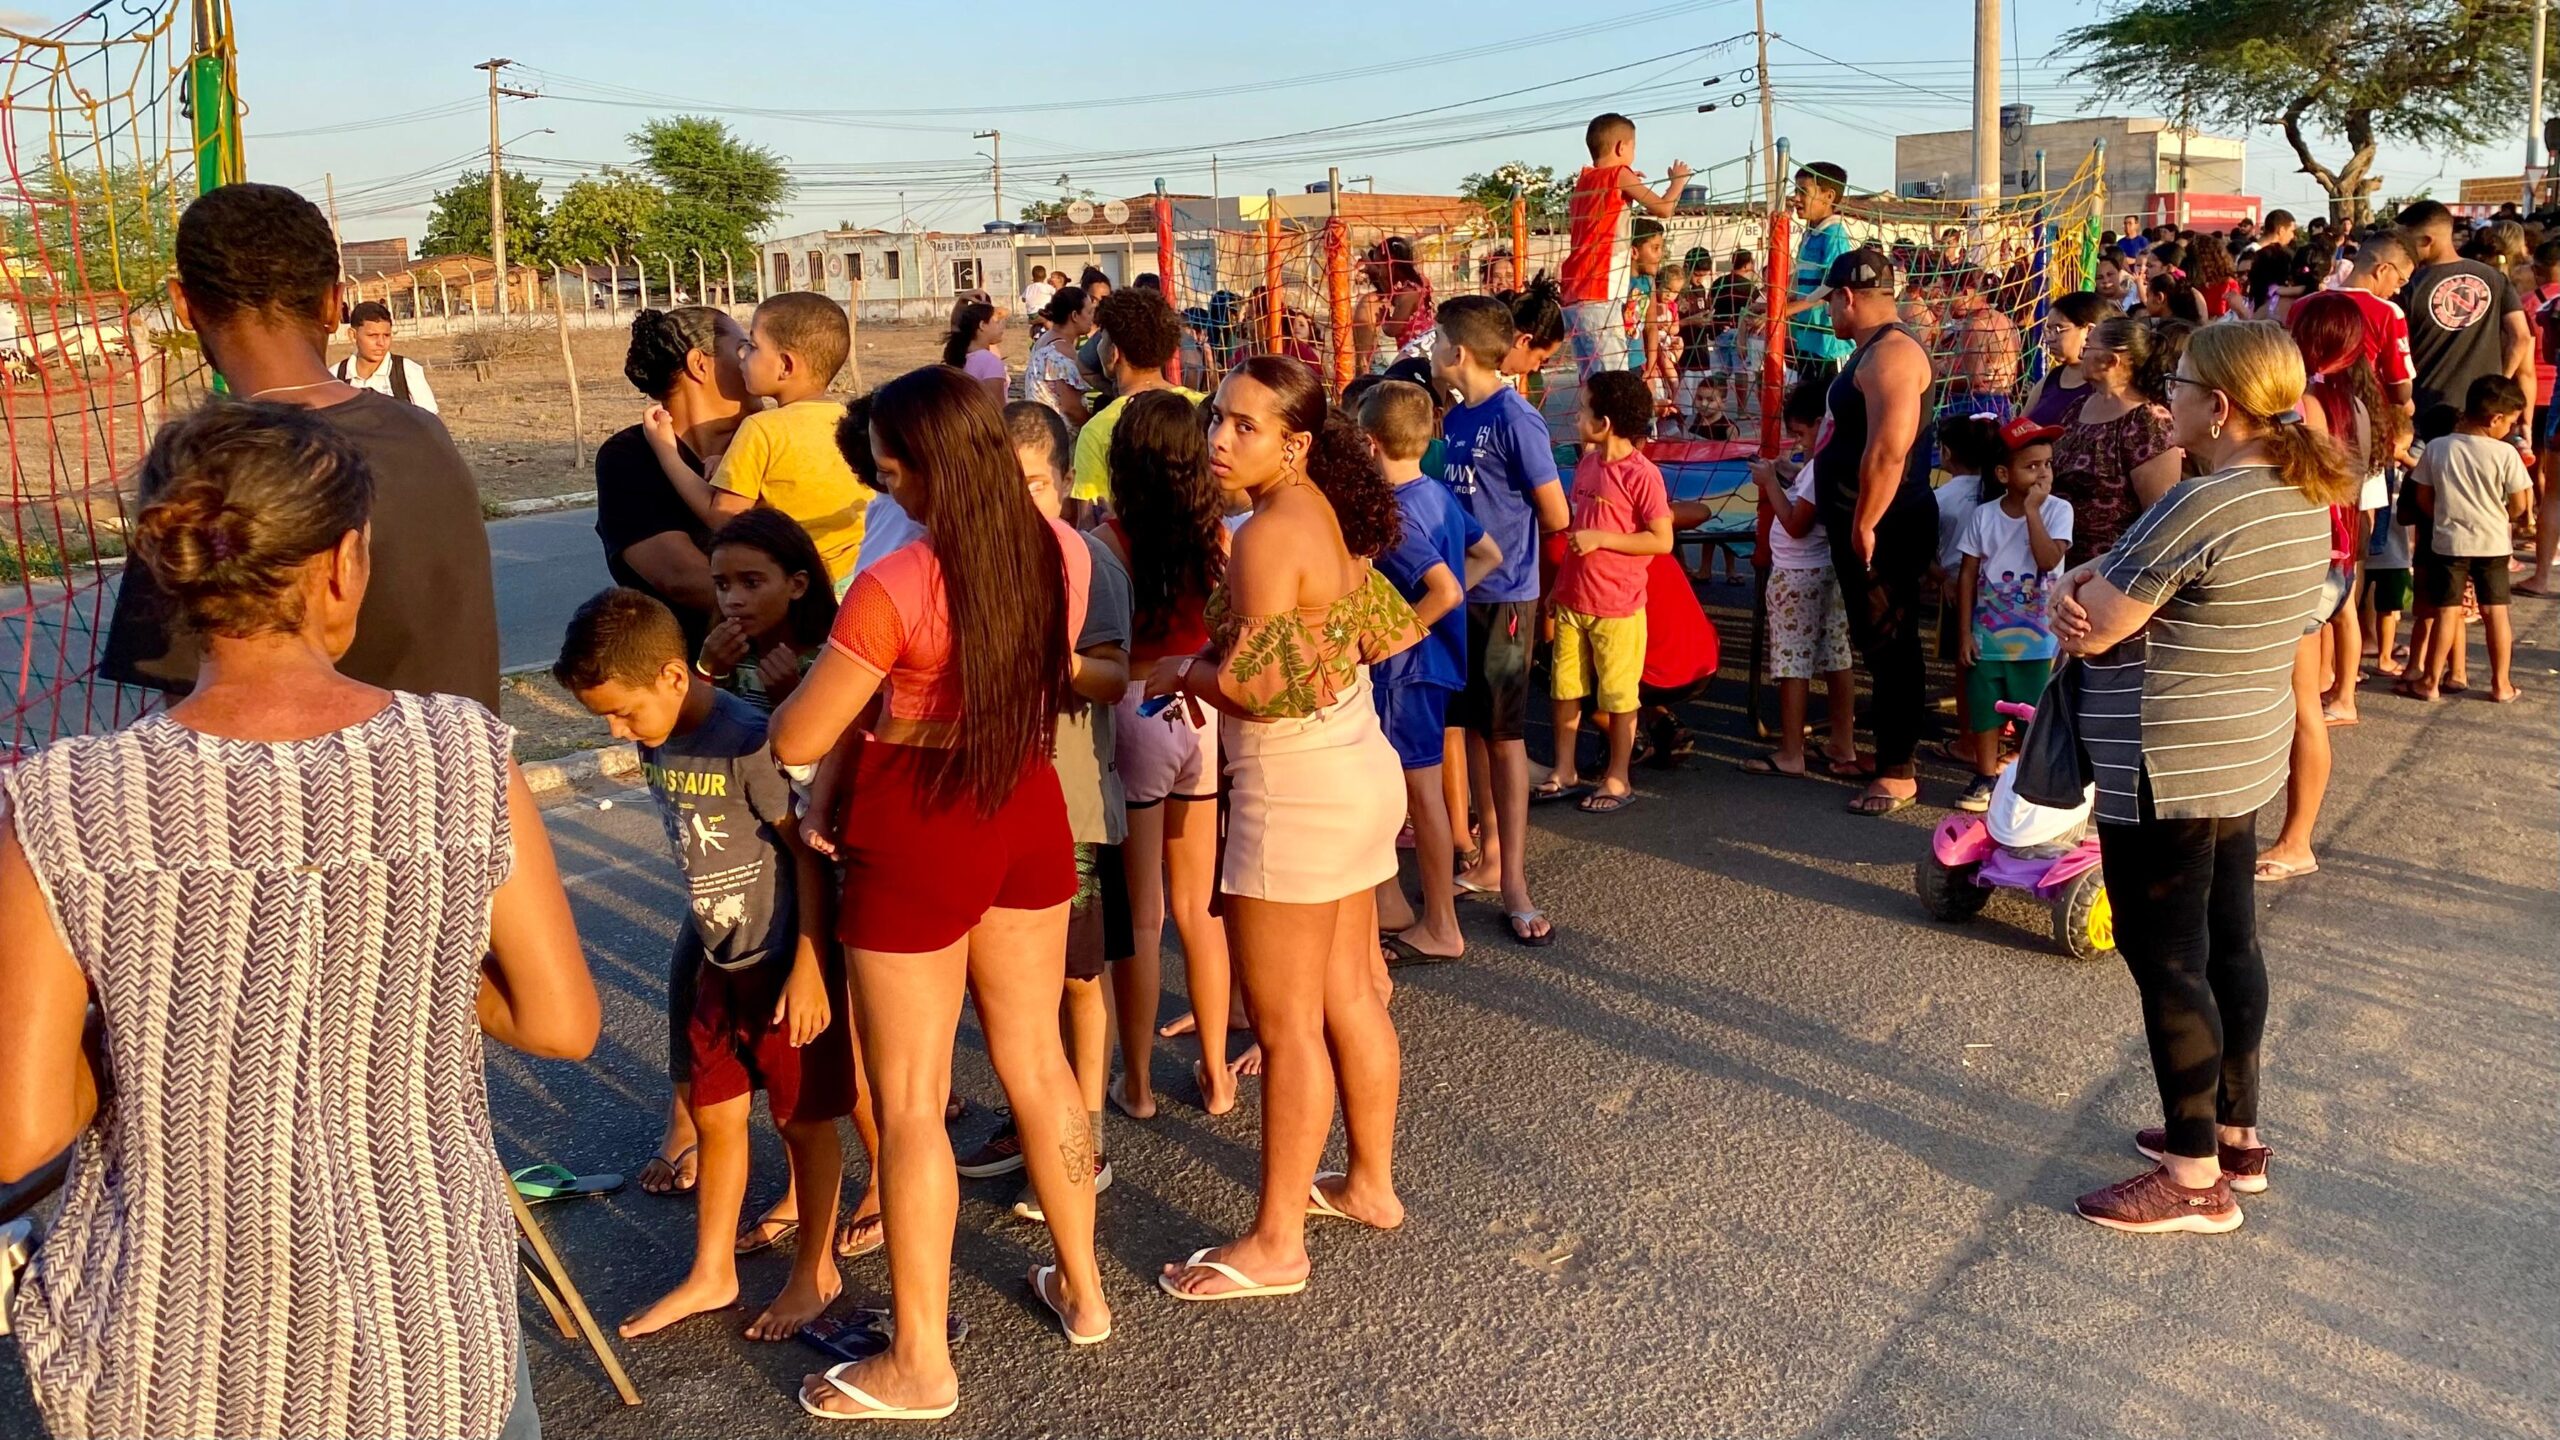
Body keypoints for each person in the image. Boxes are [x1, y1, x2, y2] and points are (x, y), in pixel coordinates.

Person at [0, 401, 597, 1437]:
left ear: (172, 574)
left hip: (167, 1360)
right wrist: (402, 960)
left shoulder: (64, 801)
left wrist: (139, 1023)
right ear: (344, 562)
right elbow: (562, 1024)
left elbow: (26, 1129)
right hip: (423, 1333)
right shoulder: (464, 757)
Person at [776, 366, 1107, 1421]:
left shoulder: (900, 581)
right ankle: (1084, 1290)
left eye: (889, 473)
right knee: (1039, 1061)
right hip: (1026, 799)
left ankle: (920, 1361)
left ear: (928, 469)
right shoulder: (1057, 550)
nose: (887, 490)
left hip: (920, 817)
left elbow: (799, 733)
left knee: (913, 1098)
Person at [2051, 319, 2348, 1234]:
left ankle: (2191, 1176)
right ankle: (2234, 1135)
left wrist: (2067, 593)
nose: (2164, 398)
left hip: (2165, 753)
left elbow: (2099, 623)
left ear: (2217, 406)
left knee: (2167, 958)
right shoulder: (2301, 491)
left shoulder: (2203, 502)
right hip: (2240, 747)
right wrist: (2100, 577)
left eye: (2175, 384)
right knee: (2229, 944)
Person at [1142, 354, 1422, 1301]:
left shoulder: (1267, 533)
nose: (1219, 439)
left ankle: (1277, 1243)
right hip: (1357, 769)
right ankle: (1370, 1185)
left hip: (1296, 794)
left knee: (1289, 1024)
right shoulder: (1321, 514)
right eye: (1217, 417)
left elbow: (1260, 691)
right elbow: (1384, 632)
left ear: (1295, 443)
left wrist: (1184, 673)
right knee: (1350, 995)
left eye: (1244, 426)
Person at [552, 589, 851, 1342]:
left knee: (803, 1123)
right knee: (717, 1117)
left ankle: (816, 1270)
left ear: (671, 677)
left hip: (780, 962)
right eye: (607, 720)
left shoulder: (747, 742)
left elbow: (808, 855)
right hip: (720, 958)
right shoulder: (661, 735)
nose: (619, 732)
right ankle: (712, 1271)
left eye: (624, 713)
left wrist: (810, 964)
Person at [99, 182, 500, 714]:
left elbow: (194, 708)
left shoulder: (203, 465)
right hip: (457, 763)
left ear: (183, 304)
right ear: (334, 304)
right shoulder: (424, 433)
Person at [1088, 389, 1240, 1119]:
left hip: (1137, 708)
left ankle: (1140, 1083)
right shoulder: (1218, 536)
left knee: (1143, 914)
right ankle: (1217, 1071)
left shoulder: (1110, 540)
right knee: (1198, 906)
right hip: (1200, 708)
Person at [1010, 399, 1135, 1221]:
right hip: (997, 808)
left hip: (1072, 806)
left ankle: (1082, 1140)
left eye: (1034, 484)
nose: (1020, 503)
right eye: (1002, 486)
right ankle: (1035, 1126)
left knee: (1078, 979)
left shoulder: (1090, 562)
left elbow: (1114, 676)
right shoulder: (969, 562)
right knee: (1016, 993)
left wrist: (1056, 660)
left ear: (1062, 484)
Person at [1431, 294, 1569, 943]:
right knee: (1475, 731)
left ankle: (1515, 882)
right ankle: (1488, 858)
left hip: (1505, 596)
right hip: (1458, 595)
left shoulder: (1516, 418)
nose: (1430, 351)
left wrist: (1505, 554)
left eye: (1436, 341)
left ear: (1458, 351)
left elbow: (1556, 512)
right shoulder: (1456, 417)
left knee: (1506, 736)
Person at [1361, 379, 1498, 964]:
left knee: (1418, 796)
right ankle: (1399, 905)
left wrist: (1394, 635)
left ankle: (1441, 924)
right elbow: (1487, 554)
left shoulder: (1394, 514)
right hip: (1432, 663)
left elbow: (1443, 589)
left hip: (1406, 672)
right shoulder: (1437, 492)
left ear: (1369, 444)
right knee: (1420, 793)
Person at [1808, 247, 1937, 816]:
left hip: (1885, 521)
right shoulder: (1874, 350)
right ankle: (1889, 757)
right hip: (1866, 517)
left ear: (1847, 297)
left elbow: (1889, 450)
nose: (1828, 313)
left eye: (1829, 303)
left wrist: (1864, 522)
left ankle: (1897, 772)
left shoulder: (1892, 354)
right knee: (1879, 643)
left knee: (1892, 644)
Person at [645, 291, 870, 591]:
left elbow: (723, 517)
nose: (742, 356)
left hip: (806, 588)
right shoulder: (852, 421)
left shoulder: (761, 429)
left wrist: (666, 451)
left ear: (785, 366)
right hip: (860, 576)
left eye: (752, 347)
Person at [1537, 369, 1673, 812]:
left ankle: (1618, 777)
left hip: (1617, 605)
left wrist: (1602, 539)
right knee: (1564, 688)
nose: (1577, 417)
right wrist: (1558, 587)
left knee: (1617, 695)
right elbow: (1578, 530)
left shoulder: (1642, 474)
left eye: (1583, 410)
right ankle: (1565, 769)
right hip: (1573, 598)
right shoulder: (1588, 464)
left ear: (1606, 422)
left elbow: (1661, 539)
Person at [597, 307, 746, 664]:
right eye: (743, 349)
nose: (754, 362)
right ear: (699, 364)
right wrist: (798, 608)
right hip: (683, 676)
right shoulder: (629, 457)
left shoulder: (767, 441)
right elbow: (681, 577)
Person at [1741, 377, 1859, 779]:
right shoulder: (1830, 461)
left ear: (1823, 424)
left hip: (1797, 577)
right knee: (1836, 657)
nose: (1798, 442)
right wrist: (1790, 472)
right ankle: (1843, 741)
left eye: (1801, 434)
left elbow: (1795, 523)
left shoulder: (1820, 467)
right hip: (1825, 571)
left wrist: (1770, 483)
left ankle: (1792, 751)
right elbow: (1809, 489)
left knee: (1793, 664)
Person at [1953, 417, 2072, 812]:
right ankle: (1985, 775)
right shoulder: (1984, 515)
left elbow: (2048, 559)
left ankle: (2028, 781)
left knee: (2032, 711)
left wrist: (2033, 513)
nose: (2043, 473)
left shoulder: (2058, 511)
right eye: (2031, 466)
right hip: (1988, 634)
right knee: (1985, 706)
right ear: (2004, 474)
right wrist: (1964, 633)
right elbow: (1967, 574)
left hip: (2039, 638)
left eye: (2048, 464)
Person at [2408, 374, 2532, 703]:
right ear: (2495, 418)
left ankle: (2430, 681)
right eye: (2511, 422)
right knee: (2495, 612)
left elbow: (2423, 496)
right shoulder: (2505, 454)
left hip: (2450, 542)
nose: (2510, 429)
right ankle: (2501, 684)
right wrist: (2503, 516)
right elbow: (2520, 504)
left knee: (2447, 611)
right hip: (2493, 543)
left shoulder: (2438, 447)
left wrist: (2443, 516)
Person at [1564, 111, 1689, 381]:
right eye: (1634, 147)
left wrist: (1629, 183)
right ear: (1622, 147)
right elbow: (1663, 208)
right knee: (1615, 385)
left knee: (1592, 385)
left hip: (1574, 296)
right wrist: (1678, 182)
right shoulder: (1619, 174)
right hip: (1600, 294)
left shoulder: (1584, 180)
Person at [2050, 315, 2183, 568]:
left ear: (2111, 361)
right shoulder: (2077, 407)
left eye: (2088, 347)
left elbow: (2158, 521)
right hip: (2057, 565)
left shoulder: (2148, 422)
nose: (2081, 354)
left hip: (2109, 570)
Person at [2395, 200, 2532, 431]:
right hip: (2482, 413)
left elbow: (2397, 347)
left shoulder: (2409, 285)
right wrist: (2499, 383)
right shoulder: (2494, 278)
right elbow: (2521, 337)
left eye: (2407, 243)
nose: (2403, 250)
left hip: (2427, 410)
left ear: (2427, 241)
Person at [1072, 288, 1204, 507]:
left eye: (1102, 340)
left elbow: (1089, 516)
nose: (1099, 346)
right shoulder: (1201, 407)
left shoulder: (1097, 430)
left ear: (1114, 353)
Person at [698, 507, 837, 712]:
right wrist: (708, 672)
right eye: (722, 585)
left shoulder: (832, 658)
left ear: (797, 585)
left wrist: (790, 695)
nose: (732, 600)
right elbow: (699, 726)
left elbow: (837, 730)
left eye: (751, 583)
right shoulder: (723, 655)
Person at [1783, 161, 1856, 390]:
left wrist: (1787, 310)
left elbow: (1832, 287)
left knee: (1830, 402)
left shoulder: (1834, 234)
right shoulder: (1809, 235)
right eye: (1795, 191)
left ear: (1828, 196)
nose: (1796, 198)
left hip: (1829, 345)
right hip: (1806, 340)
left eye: (1803, 192)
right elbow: (1800, 283)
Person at [332, 298, 438, 413]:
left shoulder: (406, 371)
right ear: (353, 335)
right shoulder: (335, 376)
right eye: (373, 336)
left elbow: (429, 420)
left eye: (386, 335)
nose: (381, 343)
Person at [2022, 291, 2107, 427]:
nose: (2050, 339)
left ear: (2089, 330)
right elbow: (2020, 426)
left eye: (2058, 329)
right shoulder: (2051, 379)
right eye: (2048, 330)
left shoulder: (2107, 384)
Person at [1354, 235, 1436, 372]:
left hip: (1416, 354)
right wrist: (1376, 272)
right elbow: (1391, 292)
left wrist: (1385, 319)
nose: (1379, 272)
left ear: (1391, 264)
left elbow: (1392, 330)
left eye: (1379, 266)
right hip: (1427, 347)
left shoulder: (1407, 294)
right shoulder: (1419, 283)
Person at [1027, 284, 1097, 430]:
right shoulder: (1061, 351)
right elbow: (1071, 408)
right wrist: (1093, 430)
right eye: (1089, 312)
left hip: (1040, 428)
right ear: (1075, 316)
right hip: (1059, 435)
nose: (1093, 317)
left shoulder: (1045, 339)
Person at [944, 298, 1009, 404]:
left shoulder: (959, 355)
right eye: (996, 322)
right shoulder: (990, 362)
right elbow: (996, 407)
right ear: (982, 325)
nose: (1001, 327)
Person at [1707, 249, 1756, 373]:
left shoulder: (1718, 282)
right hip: (1739, 333)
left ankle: (1721, 385)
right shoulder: (1749, 286)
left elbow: (1709, 304)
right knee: (1741, 372)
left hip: (1720, 331)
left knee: (1721, 372)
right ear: (1746, 265)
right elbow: (1755, 309)